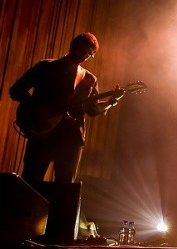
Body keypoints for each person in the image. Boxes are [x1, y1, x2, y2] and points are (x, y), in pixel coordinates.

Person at [9, 32, 124, 185]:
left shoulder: (89, 78)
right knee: (30, 182)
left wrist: (112, 100)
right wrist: (37, 109)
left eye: (90, 54)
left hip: (70, 139)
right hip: (43, 133)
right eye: (84, 50)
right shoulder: (46, 67)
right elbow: (16, 90)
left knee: (65, 189)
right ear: (73, 45)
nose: (85, 55)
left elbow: (92, 110)